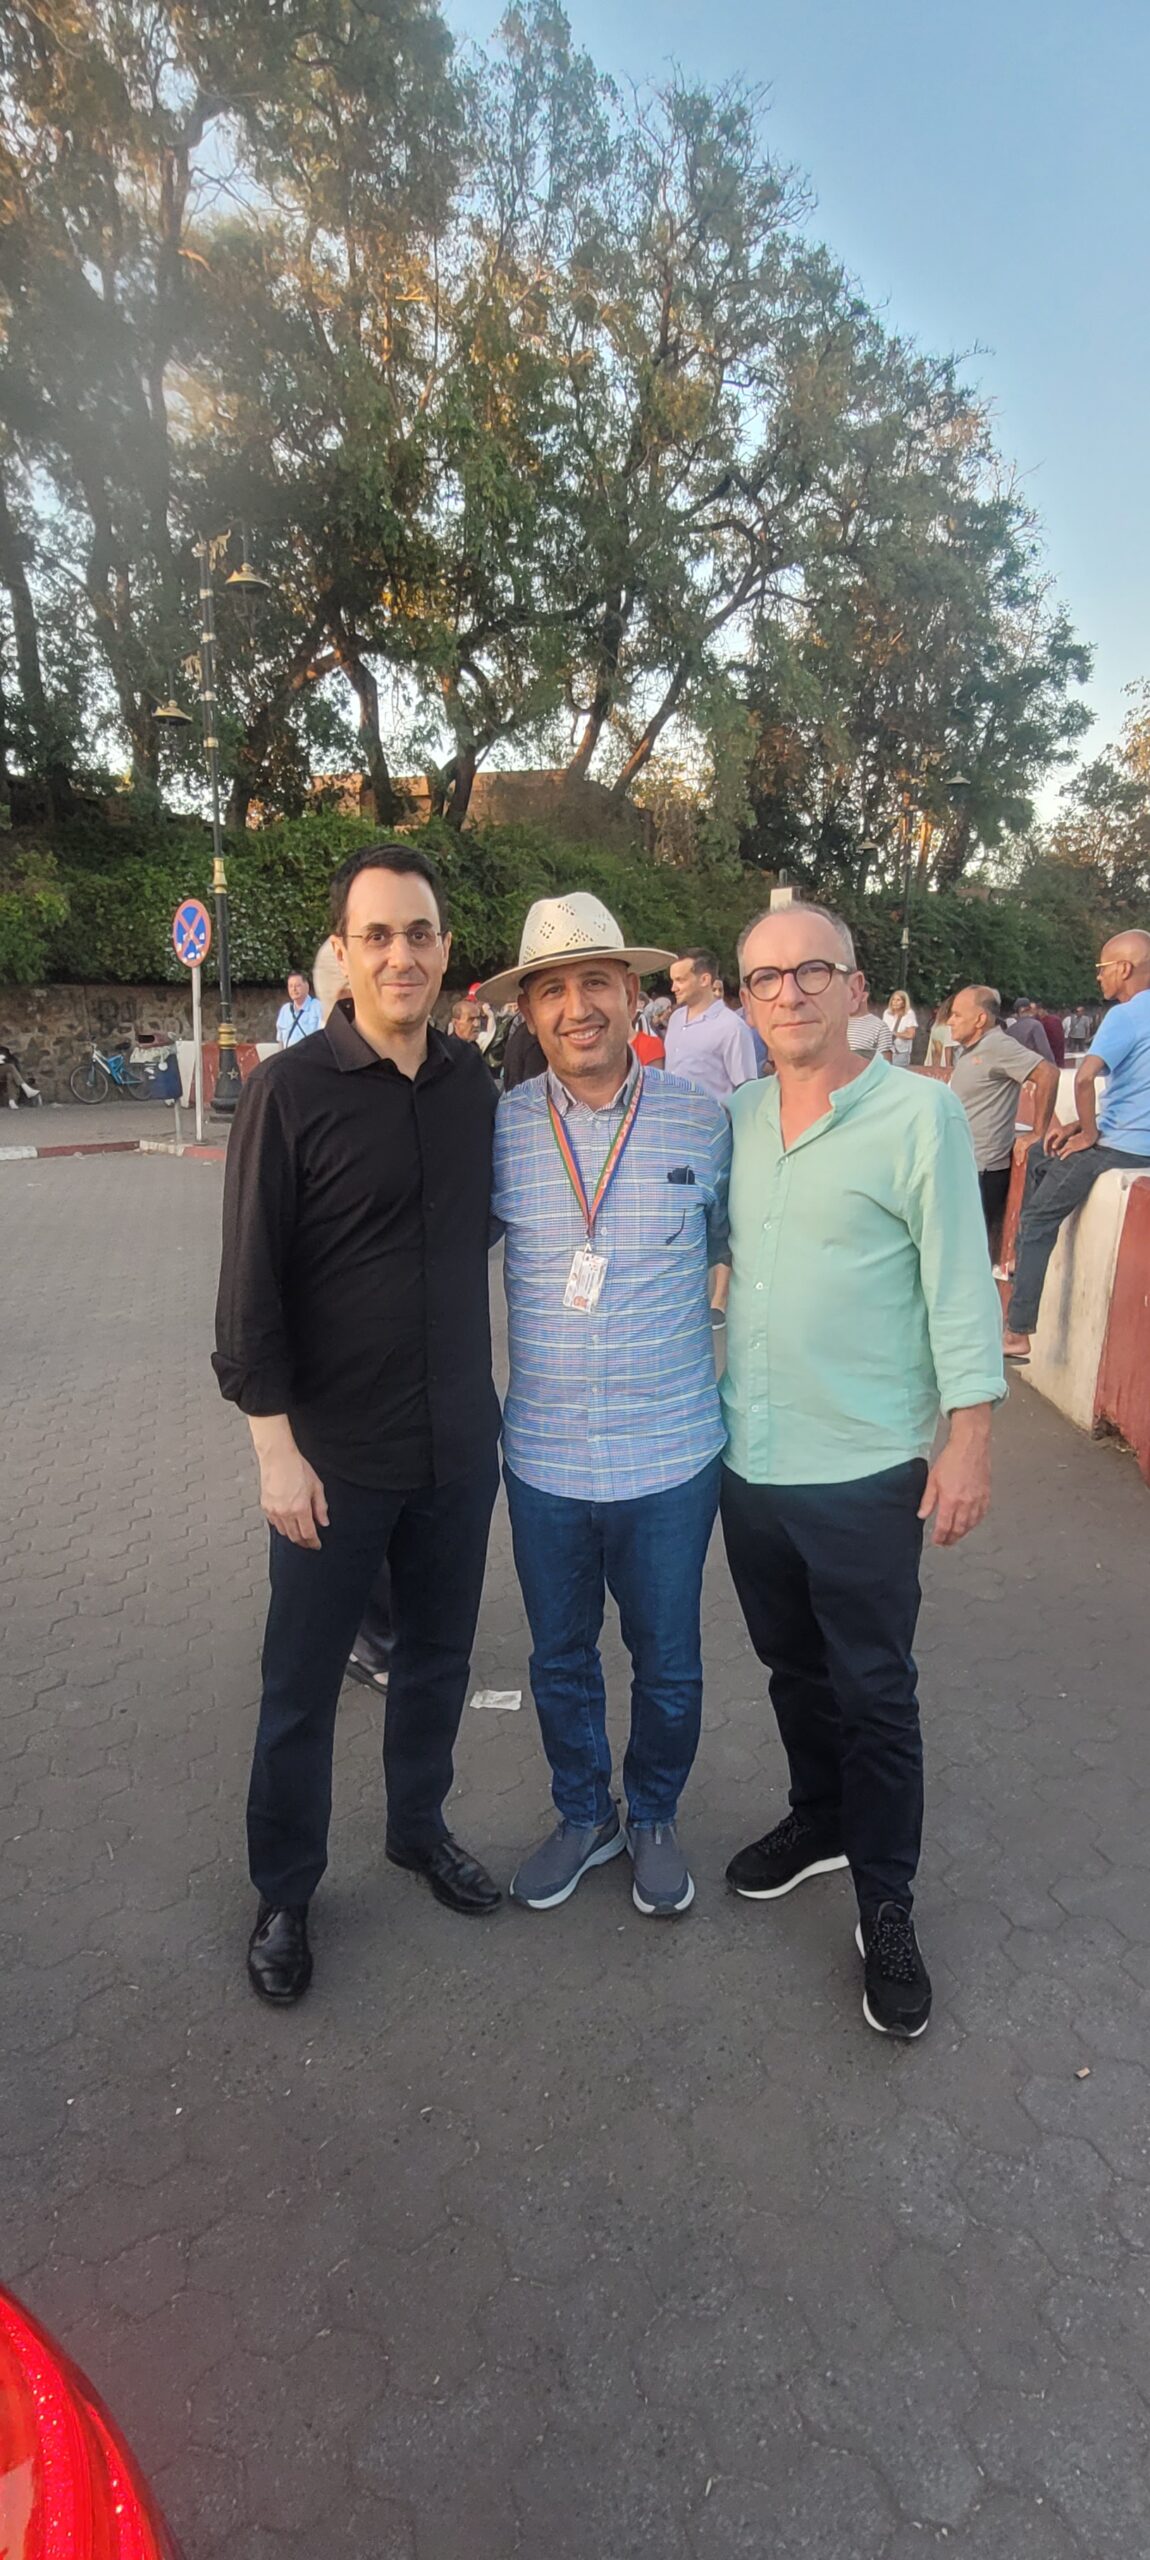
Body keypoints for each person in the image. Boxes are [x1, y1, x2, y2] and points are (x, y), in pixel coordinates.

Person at [214, 842, 503, 2005]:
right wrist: (274, 1453)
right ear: (343, 951)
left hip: (457, 1449)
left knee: (437, 1661)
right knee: (299, 1685)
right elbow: (248, 1291)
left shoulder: (475, 1086)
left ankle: (417, 1829)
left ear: (444, 948)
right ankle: (286, 1889)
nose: (400, 954)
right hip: (332, 1462)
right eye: (376, 934)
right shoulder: (289, 1091)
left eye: (419, 933)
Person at [720, 903, 1005, 2039]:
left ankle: (886, 1902)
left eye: (811, 971)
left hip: (866, 1467)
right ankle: (820, 1818)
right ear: (744, 999)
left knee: (875, 1693)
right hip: (750, 1460)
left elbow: (958, 1282)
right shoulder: (737, 1116)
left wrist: (970, 1437)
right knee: (792, 1668)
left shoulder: (918, 1114)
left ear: (852, 986)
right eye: (764, 977)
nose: (788, 993)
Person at [478, 893, 731, 1920]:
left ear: (633, 994)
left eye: (595, 983)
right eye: (552, 990)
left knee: (667, 1665)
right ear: (528, 1013)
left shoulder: (703, 1119)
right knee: (558, 1659)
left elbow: (748, 1249)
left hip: (672, 1457)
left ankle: (655, 1815)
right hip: (544, 1460)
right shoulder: (498, 1128)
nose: (575, 1007)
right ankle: (585, 1815)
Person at [1003, 930, 1150, 1361]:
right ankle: (1021, 1259)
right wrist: (1079, 1126)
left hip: (1119, 1145)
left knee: (1037, 1218)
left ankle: (1017, 1331)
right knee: (1039, 1153)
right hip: (1133, 1138)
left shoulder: (1125, 1015)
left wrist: (1087, 1134)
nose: (1098, 977)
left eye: (1102, 968)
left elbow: (1084, 1078)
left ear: (1124, 968)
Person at [948, 986, 1059, 1251]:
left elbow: (1048, 1074)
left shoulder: (997, 1045)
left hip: (982, 1170)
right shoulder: (973, 1049)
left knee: (968, 1250)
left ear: (980, 1019)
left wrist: (1037, 1132)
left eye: (957, 1015)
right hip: (963, 1163)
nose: (950, 1021)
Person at [665, 946, 758, 1101]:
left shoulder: (732, 1027)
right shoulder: (675, 1019)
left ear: (704, 980)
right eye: (673, 980)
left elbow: (746, 1090)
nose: (673, 988)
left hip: (713, 1116)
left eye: (680, 980)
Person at [848, 978, 895, 1061]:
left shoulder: (880, 1027)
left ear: (864, 996)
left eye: (851, 994)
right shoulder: (834, 1024)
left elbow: (886, 1064)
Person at [275, 970, 323, 1048]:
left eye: (297, 985)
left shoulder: (317, 1007)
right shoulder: (285, 1010)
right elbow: (280, 1042)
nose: (294, 989)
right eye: (290, 986)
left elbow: (323, 1037)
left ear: (306, 986)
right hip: (289, 1054)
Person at [1004, 1001, 1055, 1067]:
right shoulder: (1035, 1025)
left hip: (1017, 1068)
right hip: (1034, 1067)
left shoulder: (1009, 1030)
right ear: (1030, 1009)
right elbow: (1044, 1050)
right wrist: (1053, 1066)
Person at [882, 988, 918, 1066]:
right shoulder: (887, 1013)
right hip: (887, 1050)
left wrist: (895, 1034)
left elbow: (910, 1035)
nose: (895, 1002)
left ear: (904, 1003)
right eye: (893, 999)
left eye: (898, 1000)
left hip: (900, 1052)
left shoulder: (909, 1014)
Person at [925, 994, 959, 1070]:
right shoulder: (950, 1025)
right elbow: (948, 1047)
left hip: (934, 1063)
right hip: (945, 1065)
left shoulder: (938, 1023)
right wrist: (948, 1067)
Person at [1036, 1003, 1066, 1069]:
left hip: (1054, 1050)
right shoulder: (1037, 1021)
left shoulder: (1054, 1020)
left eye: (1038, 1010)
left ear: (1043, 1010)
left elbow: (1058, 1039)